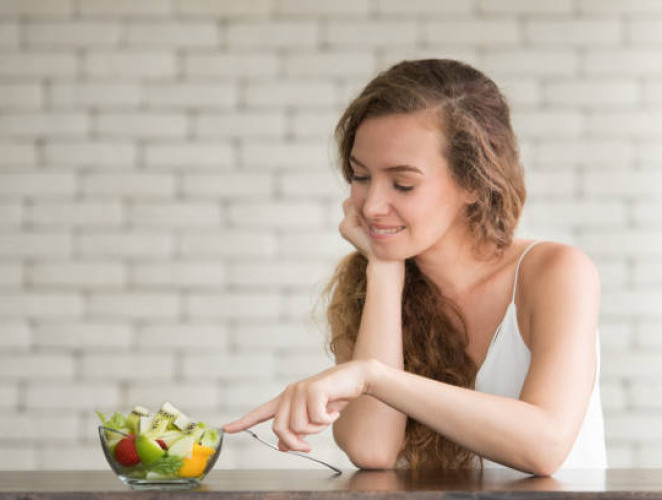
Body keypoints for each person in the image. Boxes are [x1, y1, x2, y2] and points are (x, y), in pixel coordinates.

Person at [223, 59, 606, 475]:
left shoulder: (555, 273)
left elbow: (545, 445)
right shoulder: (364, 282)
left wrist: (372, 377)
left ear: (475, 182)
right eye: (360, 176)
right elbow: (372, 448)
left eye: (402, 183)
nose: (371, 206)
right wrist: (385, 272)